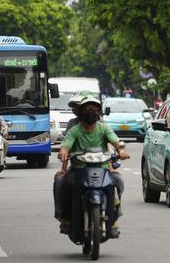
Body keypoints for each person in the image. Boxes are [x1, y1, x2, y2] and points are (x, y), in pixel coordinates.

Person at [56, 95, 130, 238]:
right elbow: (65, 146)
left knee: (118, 181)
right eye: (88, 109)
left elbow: (115, 141)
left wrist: (121, 151)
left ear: (99, 113)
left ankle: (114, 218)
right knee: (62, 183)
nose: (91, 112)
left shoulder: (103, 128)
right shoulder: (75, 130)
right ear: (81, 112)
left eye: (94, 109)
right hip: (79, 169)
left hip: (103, 168)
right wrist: (63, 153)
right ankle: (65, 218)